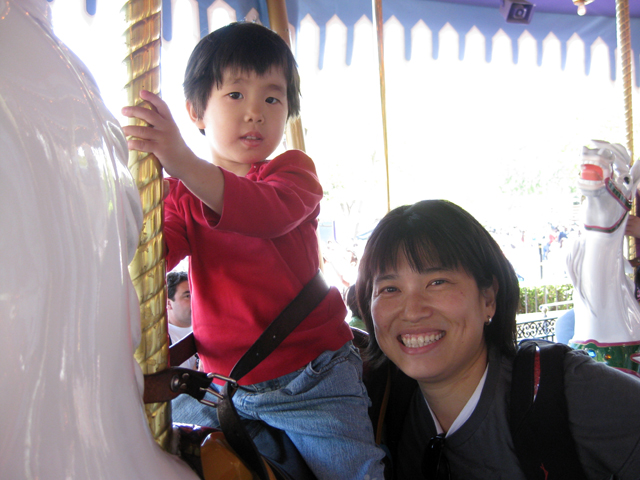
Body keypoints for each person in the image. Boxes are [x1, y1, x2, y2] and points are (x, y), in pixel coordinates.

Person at [122, 22, 384, 480]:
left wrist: (182, 161)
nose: (255, 113)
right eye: (236, 95)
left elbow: (263, 215)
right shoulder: (179, 197)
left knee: (355, 473)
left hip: (312, 382)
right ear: (196, 111)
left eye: (272, 97)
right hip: (222, 386)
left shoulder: (292, 174)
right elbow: (148, 261)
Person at [355, 199, 640, 479]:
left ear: (488, 297)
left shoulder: (567, 390)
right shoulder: (374, 407)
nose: (413, 311)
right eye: (390, 289)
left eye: (437, 282)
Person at [166, 270, 198, 370]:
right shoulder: (163, 339)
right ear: (169, 303)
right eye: (187, 296)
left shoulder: (209, 330)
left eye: (196, 295)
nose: (195, 301)